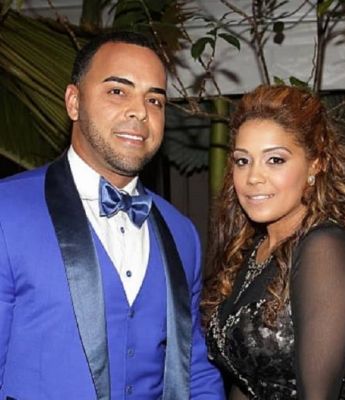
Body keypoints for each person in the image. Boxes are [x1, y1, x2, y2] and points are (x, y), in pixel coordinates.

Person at [0, 31, 224, 400]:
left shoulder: (182, 234)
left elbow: (195, 371)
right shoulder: (7, 212)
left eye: (154, 100)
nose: (140, 111)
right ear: (74, 102)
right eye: (118, 91)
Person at [202, 84, 345, 399]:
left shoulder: (326, 249)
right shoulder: (253, 251)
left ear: (315, 164)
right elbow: (243, 380)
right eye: (242, 161)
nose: (253, 177)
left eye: (275, 160)